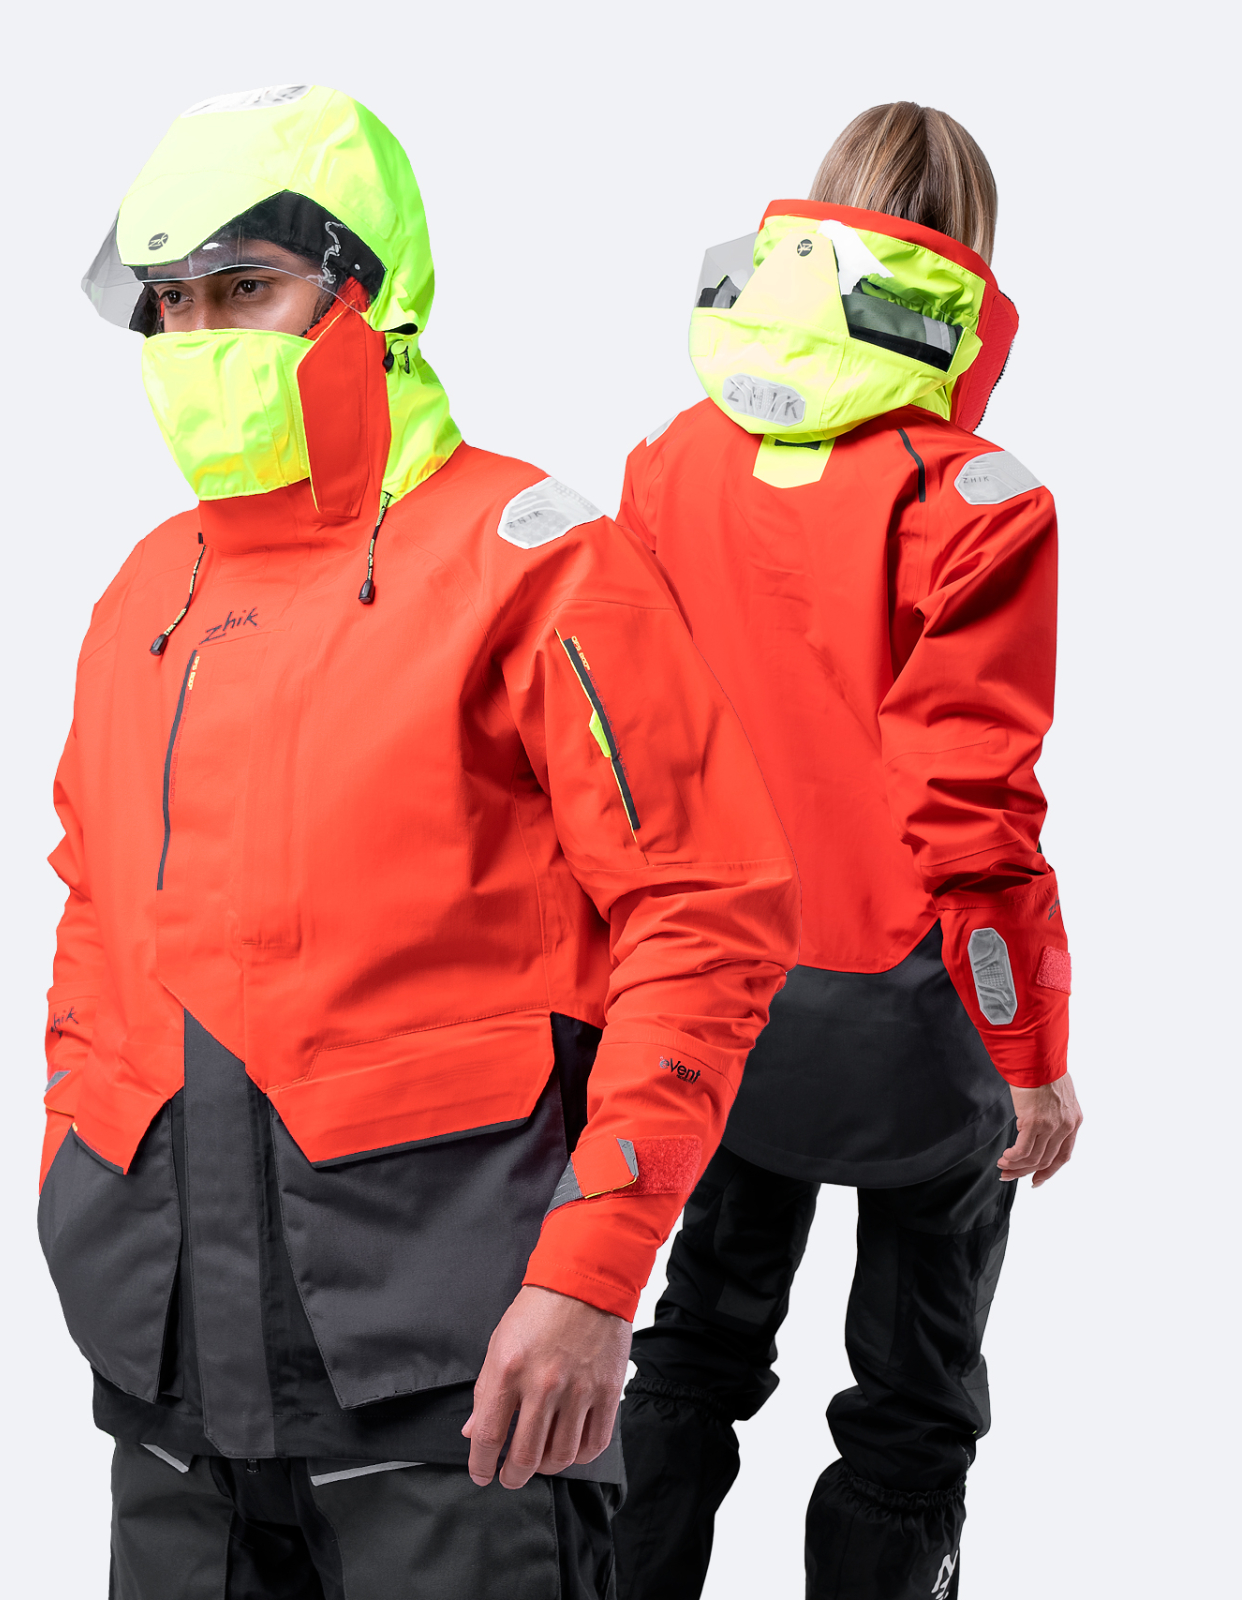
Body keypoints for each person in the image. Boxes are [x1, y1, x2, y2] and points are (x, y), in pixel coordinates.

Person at [40, 83, 800, 1599]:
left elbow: (704, 923)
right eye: (173, 303)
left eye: (245, 289)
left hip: (456, 1377)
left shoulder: (538, 563)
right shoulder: (146, 591)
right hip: (167, 1374)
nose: (199, 339)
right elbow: (94, 918)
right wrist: (74, 1166)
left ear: (366, 293)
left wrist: (594, 1274)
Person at [610, 103, 1083, 1599]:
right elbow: (974, 816)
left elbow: (625, 754)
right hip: (915, 1020)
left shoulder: (672, 460)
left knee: (695, 1342)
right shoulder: (977, 500)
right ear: (970, 264)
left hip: (722, 1002)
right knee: (913, 1399)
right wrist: (1030, 1055)